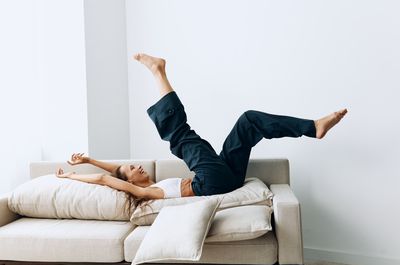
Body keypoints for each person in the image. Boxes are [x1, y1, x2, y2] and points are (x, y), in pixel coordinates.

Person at [56, 53, 348, 205]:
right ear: (129, 181)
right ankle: (159, 70)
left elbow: (114, 170)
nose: (137, 167)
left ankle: (312, 127)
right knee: (179, 136)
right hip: (207, 183)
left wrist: (89, 158)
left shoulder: (152, 182)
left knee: (248, 121)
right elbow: (109, 180)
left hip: (225, 177)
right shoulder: (146, 194)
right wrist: (71, 175)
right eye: (132, 168)